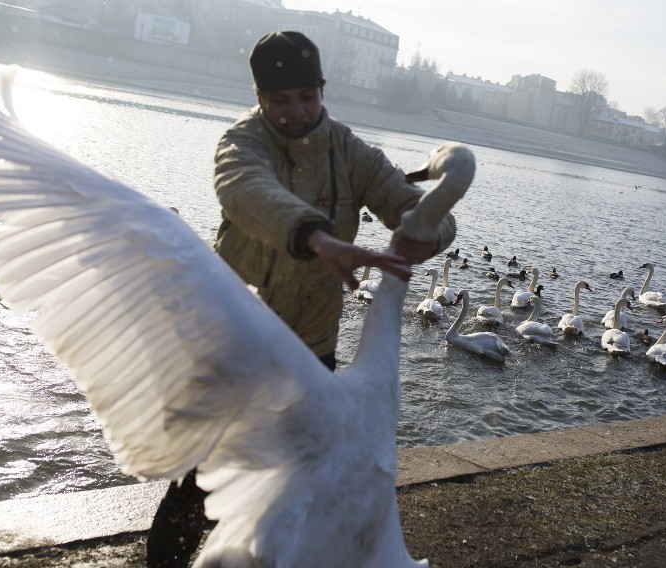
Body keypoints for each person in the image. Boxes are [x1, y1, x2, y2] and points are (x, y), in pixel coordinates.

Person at [146, 31, 456, 567]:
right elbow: (243, 189)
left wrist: (431, 228)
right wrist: (315, 235)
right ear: (260, 98)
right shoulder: (243, 143)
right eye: (280, 100)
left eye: (307, 96)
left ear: (322, 90)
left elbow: (408, 203)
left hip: (312, 348)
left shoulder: (350, 152)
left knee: (292, 484)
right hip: (235, 340)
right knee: (199, 481)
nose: (296, 111)